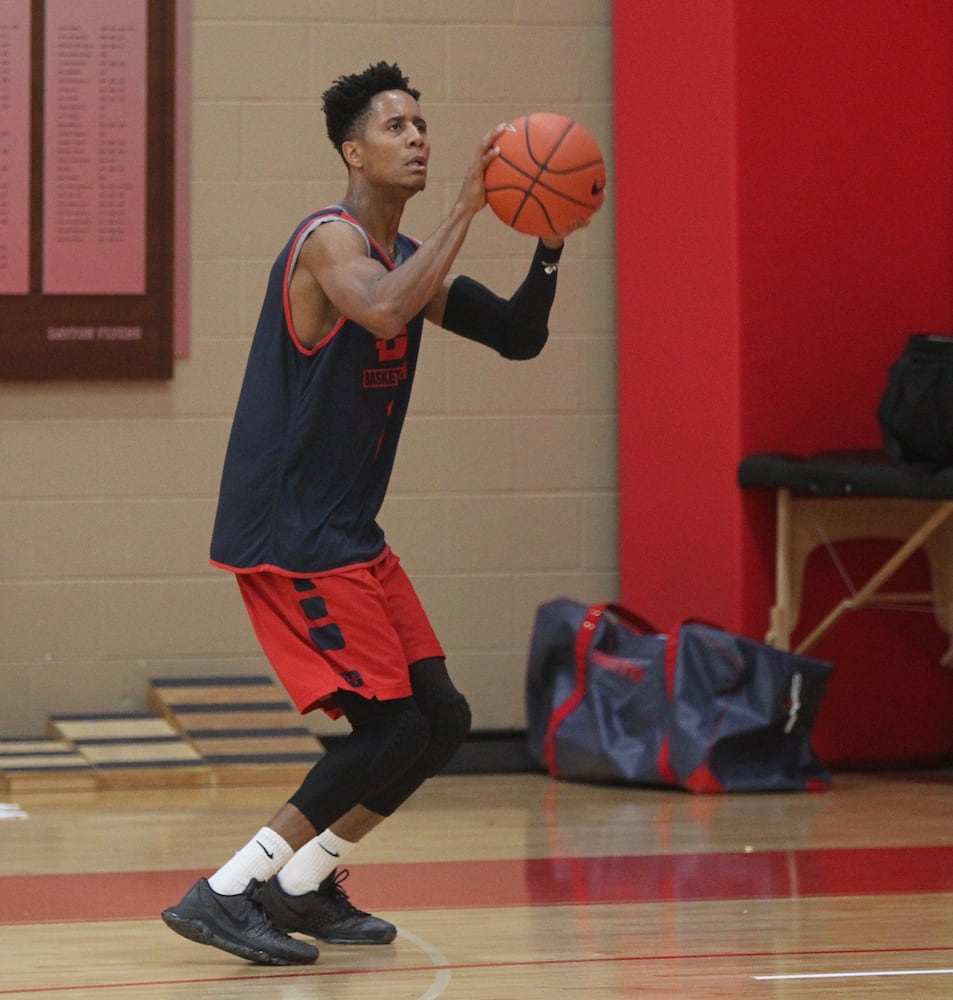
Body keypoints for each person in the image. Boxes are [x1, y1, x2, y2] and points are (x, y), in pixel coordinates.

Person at [161, 60, 576, 966]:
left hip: (349, 535)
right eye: (396, 127)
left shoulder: (404, 260)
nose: (418, 137)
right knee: (387, 728)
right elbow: (385, 315)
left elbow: (518, 336)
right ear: (353, 151)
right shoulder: (331, 245)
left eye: (422, 125)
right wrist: (471, 206)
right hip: (293, 535)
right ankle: (226, 891)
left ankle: (301, 883)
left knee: (443, 719)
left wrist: (550, 237)